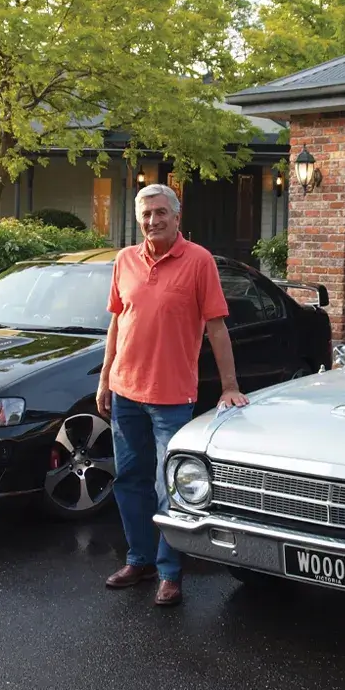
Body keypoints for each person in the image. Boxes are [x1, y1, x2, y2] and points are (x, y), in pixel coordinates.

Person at [97, 183, 249, 606]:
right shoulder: (124, 260)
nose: (152, 221)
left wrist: (230, 386)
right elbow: (116, 324)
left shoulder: (198, 261)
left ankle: (169, 572)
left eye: (161, 213)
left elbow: (217, 327)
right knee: (130, 479)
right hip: (125, 390)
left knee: (172, 486)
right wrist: (105, 377)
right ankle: (139, 559)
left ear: (177, 216)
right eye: (145, 214)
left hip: (172, 396)